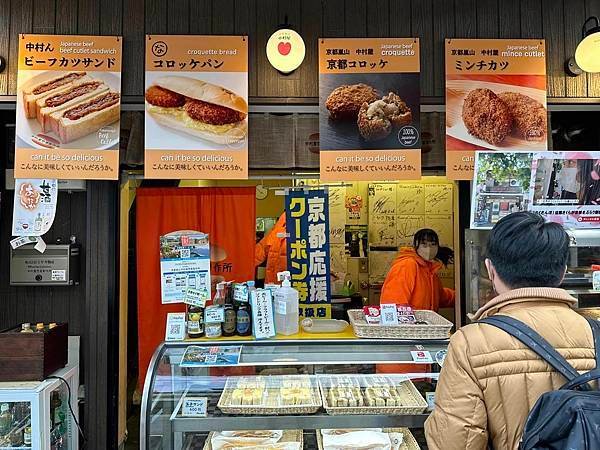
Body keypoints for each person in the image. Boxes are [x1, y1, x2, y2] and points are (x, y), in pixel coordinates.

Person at [425, 212, 596, 450]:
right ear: (563, 271)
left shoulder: (470, 343)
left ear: (490, 270)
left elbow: (455, 443)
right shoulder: (595, 333)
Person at [380, 229, 454, 310]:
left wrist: (461, 296)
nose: (429, 249)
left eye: (433, 244)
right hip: (410, 322)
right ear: (416, 245)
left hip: (424, 322)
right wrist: (405, 321)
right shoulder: (407, 265)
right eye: (424, 244)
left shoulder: (430, 270)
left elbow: (440, 296)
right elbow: (393, 302)